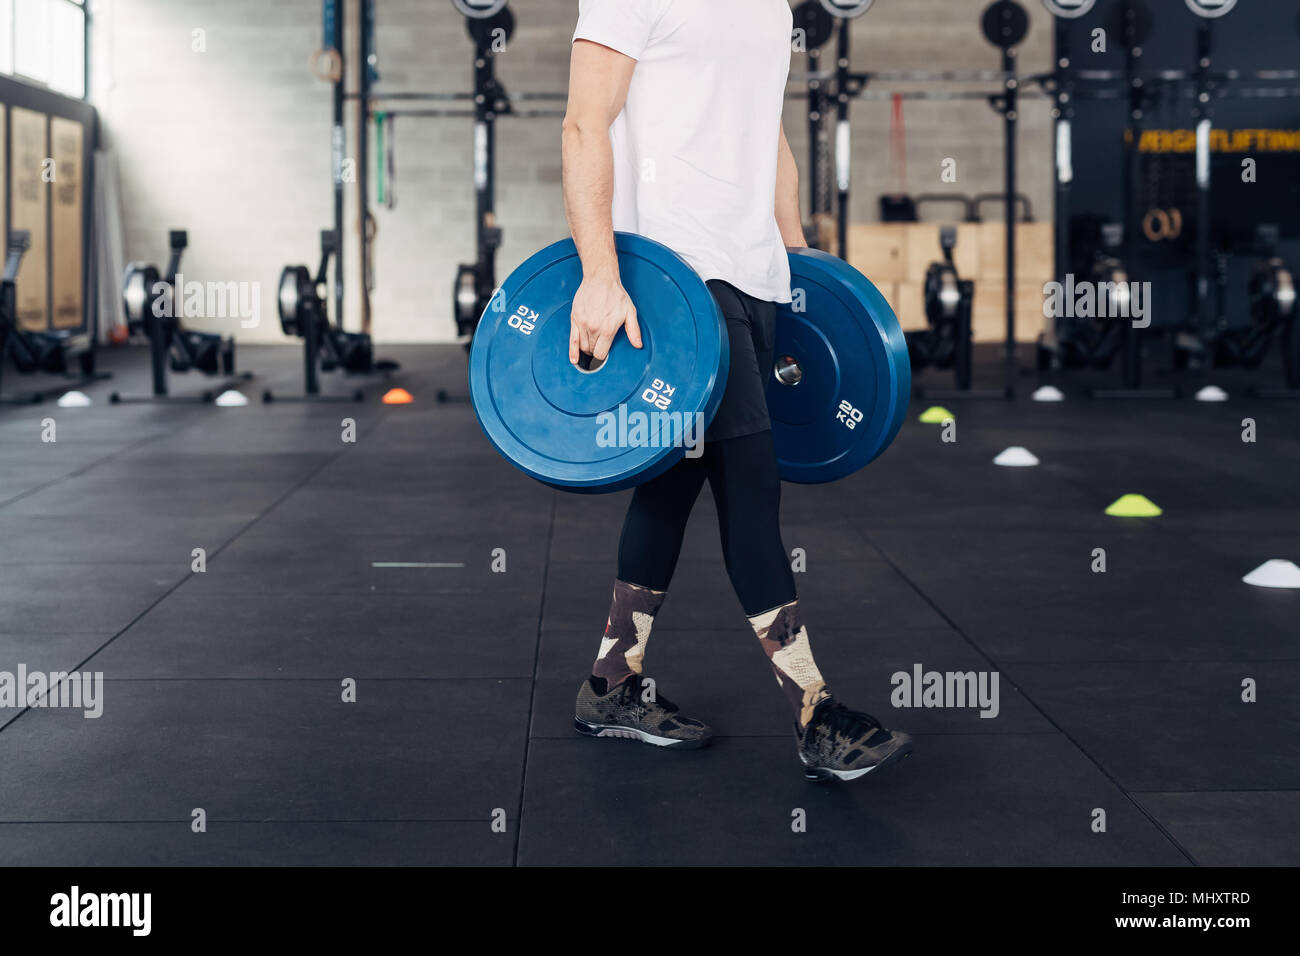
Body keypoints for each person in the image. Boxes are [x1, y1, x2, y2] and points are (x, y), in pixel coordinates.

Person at [563, 0, 912, 782]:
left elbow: (769, 138)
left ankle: (611, 683)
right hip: (677, 281)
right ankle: (814, 711)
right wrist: (597, 273)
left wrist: (799, 263)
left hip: (755, 274)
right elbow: (585, 123)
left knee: (672, 481)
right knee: (750, 484)